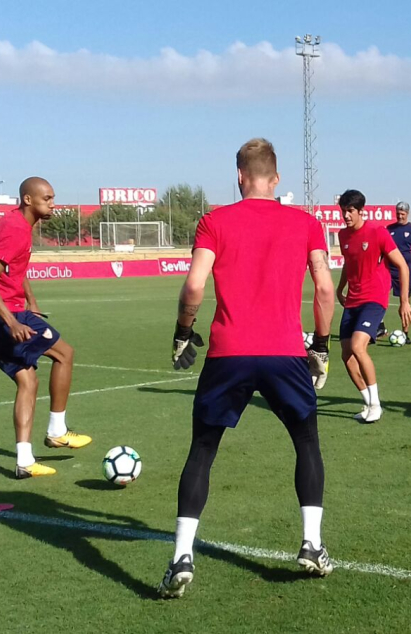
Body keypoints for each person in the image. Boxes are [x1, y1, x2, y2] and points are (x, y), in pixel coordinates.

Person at [158, 138, 337, 598]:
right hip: (284, 353)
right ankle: (312, 544)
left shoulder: (214, 221)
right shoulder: (305, 223)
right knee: (307, 443)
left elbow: (194, 286)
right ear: (276, 180)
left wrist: (183, 331)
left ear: (239, 176)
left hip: (228, 353)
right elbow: (324, 290)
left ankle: (181, 555)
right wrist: (320, 345)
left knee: (202, 450)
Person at [0, 177, 88, 479]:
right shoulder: (17, 230)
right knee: (64, 354)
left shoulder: (14, 223)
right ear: (28, 200)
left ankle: (24, 462)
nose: (53, 203)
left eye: (53, 197)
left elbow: (14, 270)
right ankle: (57, 430)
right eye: (47, 198)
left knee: (28, 381)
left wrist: (31, 300)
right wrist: (12, 321)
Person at [335, 189, 411, 423]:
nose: (346, 216)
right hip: (353, 299)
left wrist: (404, 302)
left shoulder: (377, 233)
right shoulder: (342, 236)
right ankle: (368, 403)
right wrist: (340, 288)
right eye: (343, 211)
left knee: (359, 347)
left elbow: (402, 265)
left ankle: (376, 405)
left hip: (374, 298)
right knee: (346, 356)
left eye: (350, 211)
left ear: (361, 211)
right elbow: (348, 265)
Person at [376, 201, 411, 343]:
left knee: (405, 302)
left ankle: (405, 333)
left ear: (407, 214)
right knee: (379, 296)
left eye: (402, 214)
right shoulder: (389, 229)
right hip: (388, 269)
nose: (400, 216)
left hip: (405, 271)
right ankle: (379, 327)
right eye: (398, 213)